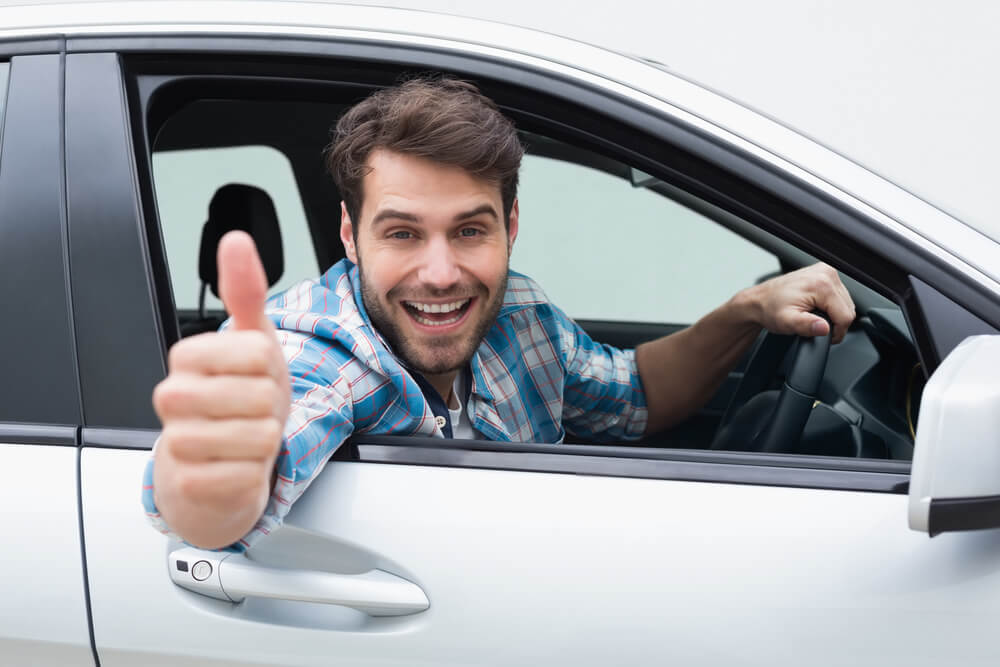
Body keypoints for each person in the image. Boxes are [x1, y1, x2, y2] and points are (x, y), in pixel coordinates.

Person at [144, 77, 855, 550]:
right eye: (401, 233)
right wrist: (213, 478)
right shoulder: (321, 357)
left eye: (470, 229)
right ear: (347, 236)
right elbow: (203, 510)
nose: (442, 271)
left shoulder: (520, 314)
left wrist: (746, 310)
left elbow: (635, 394)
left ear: (510, 223)